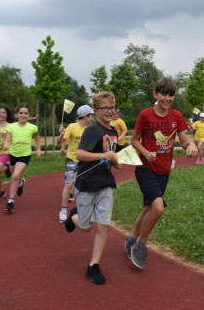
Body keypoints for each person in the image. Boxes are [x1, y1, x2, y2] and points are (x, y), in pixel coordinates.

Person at [127, 77, 197, 270]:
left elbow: (183, 142)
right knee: (157, 208)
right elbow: (134, 140)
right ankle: (140, 246)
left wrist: (190, 144)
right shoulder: (145, 115)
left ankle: (131, 239)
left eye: (171, 94)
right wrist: (145, 152)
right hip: (145, 168)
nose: (167, 98)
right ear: (155, 94)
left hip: (164, 170)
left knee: (148, 209)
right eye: (163, 94)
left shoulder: (177, 117)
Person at [63, 91, 121, 285]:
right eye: (105, 108)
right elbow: (79, 154)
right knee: (86, 228)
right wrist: (104, 157)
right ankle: (74, 215)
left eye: (112, 108)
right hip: (86, 184)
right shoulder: (92, 130)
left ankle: (93, 266)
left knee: (104, 226)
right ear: (96, 111)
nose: (109, 111)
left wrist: (114, 161)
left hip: (105, 184)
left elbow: (108, 155)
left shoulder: (113, 132)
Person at [57, 105, 94, 223]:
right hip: (72, 159)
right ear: (85, 116)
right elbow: (59, 142)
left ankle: (83, 211)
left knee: (83, 186)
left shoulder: (91, 128)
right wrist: (61, 134)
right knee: (68, 185)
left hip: (85, 161)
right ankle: (63, 210)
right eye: (91, 115)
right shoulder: (72, 127)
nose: (92, 118)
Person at [2, 104, 41, 213]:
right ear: (17, 114)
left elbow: (37, 138)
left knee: (14, 176)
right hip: (13, 154)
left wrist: (38, 149)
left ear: (29, 115)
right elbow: (7, 139)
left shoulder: (33, 127)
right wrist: (6, 145)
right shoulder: (11, 126)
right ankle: (20, 183)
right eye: (21, 113)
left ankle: (11, 201)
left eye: (26, 113)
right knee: (15, 176)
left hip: (25, 155)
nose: (23, 115)